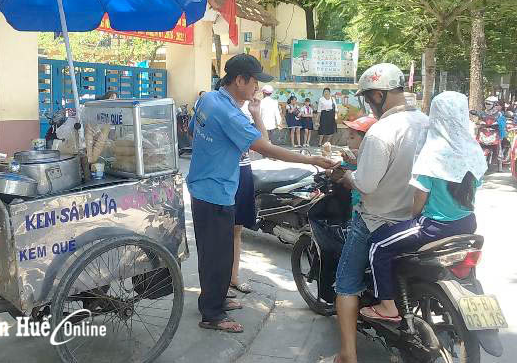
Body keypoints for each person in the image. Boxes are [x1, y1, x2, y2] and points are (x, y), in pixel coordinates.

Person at [188, 54, 336, 334]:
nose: (257, 88)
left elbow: (194, 130)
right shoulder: (229, 114)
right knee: (217, 256)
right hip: (214, 192)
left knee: (214, 252)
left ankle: (214, 300)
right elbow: (266, 148)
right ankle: (212, 315)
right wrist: (312, 160)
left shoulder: (208, 99)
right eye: (254, 81)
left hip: (206, 186)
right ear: (239, 80)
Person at [320, 63, 428, 363]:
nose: (369, 104)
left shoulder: (381, 131)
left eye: (369, 99)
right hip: (416, 219)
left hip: (376, 219)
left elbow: (366, 184)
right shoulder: (425, 122)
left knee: (345, 283)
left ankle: (347, 355)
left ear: (379, 95)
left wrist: (345, 176)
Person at [361, 92, 485, 321]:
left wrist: (412, 217)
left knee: (377, 246)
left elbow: (419, 198)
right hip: (468, 223)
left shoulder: (434, 151)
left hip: (434, 227)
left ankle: (388, 307)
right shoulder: (474, 149)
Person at [229, 101, 260, 297]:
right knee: (223, 231)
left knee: (236, 230)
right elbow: (265, 145)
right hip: (227, 173)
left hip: (244, 170)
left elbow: (262, 143)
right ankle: (220, 283)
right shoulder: (226, 113)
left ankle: (233, 277)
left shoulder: (243, 114)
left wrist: (256, 114)